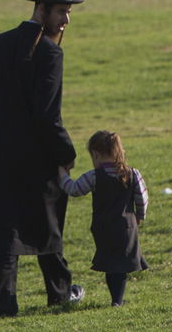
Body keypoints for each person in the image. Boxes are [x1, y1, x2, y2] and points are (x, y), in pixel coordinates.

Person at [0, 0, 86, 318]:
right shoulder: (50, 53)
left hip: (1, 156)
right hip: (38, 158)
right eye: (61, 12)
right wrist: (66, 153)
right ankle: (60, 294)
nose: (66, 20)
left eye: (68, 12)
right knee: (47, 225)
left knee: (5, 231)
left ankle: (4, 301)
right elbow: (47, 115)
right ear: (41, 9)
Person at [58, 131, 150, 308]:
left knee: (111, 264)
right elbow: (142, 198)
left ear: (96, 154)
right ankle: (117, 300)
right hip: (127, 227)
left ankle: (116, 299)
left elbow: (74, 190)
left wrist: (62, 175)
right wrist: (140, 215)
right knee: (121, 266)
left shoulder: (94, 176)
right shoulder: (133, 173)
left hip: (103, 227)